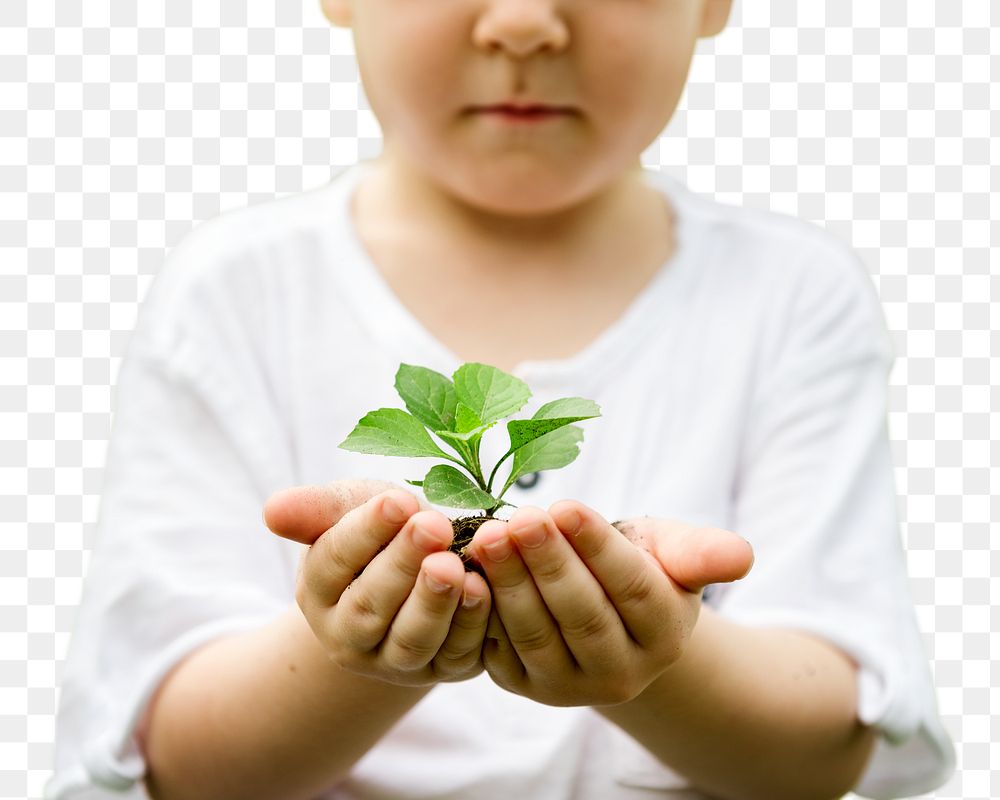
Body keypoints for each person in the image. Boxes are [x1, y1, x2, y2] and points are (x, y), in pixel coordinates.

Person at [47, 0, 956, 798]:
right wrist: (359, 652)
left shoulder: (792, 293)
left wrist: (659, 655)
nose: (524, 21)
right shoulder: (233, 296)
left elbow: (825, 748)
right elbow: (178, 767)